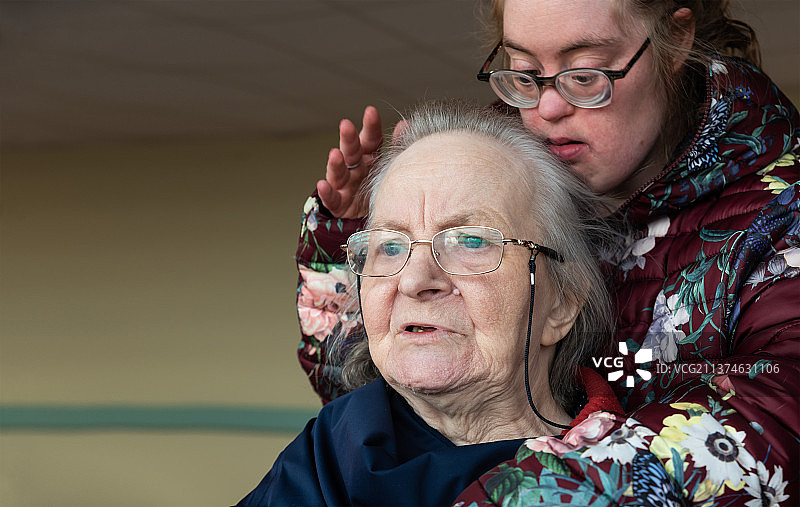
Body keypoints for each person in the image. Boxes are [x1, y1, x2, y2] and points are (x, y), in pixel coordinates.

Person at [294, 0, 799, 505]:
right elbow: (382, 394)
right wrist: (353, 243)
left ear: (674, 41)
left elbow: (781, 412)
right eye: (526, 72)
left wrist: (535, 494)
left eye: (584, 74)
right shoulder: (503, 171)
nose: (547, 108)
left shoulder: (783, 210)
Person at [237, 101, 622, 506]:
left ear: (562, 302)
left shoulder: (625, 475)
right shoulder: (328, 451)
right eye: (389, 245)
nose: (415, 280)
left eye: (472, 240)